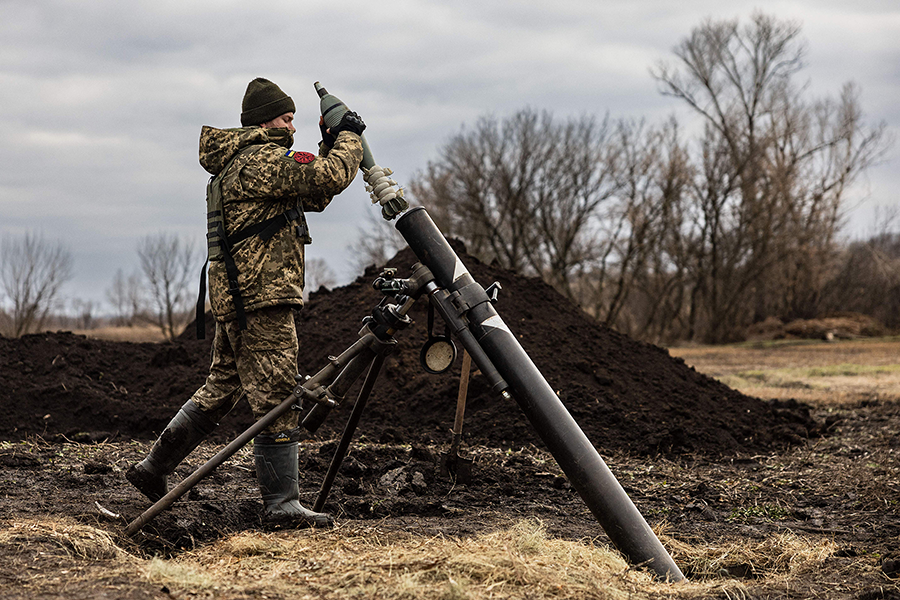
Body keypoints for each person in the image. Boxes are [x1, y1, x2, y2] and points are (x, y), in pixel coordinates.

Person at [126, 77, 365, 527]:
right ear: (264, 120)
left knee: (221, 387)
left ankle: (151, 469)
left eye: (295, 118)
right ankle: (282, 506)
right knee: (277, 395)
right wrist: (350, 137)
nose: (292, 126)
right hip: (261, 297)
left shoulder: (242, 163)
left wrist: (330, 143)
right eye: (287, 117)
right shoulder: (259, 160)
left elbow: (316, 193)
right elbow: (327, 174)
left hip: (241, 296)